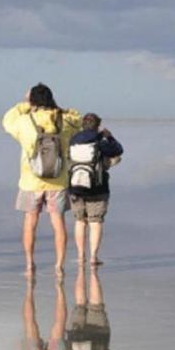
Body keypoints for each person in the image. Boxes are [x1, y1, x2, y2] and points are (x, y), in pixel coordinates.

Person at [2, 84, 84, 276]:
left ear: (32, 101)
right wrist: (61, 109)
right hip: (58, 180)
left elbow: (7, 121)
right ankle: (59, 266)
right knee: (58, 222)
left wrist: (23, 105)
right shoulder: (64, 120)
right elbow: (78, 119)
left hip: (31, 180)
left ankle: (30, 264)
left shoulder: (24, 121)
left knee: (30, 221)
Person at [67, 113, 123, 268]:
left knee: (79, 221)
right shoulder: (100, 140)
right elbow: (119, 150)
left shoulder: (73, 140)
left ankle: (80, 256)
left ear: (82, 125)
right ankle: (93, 257)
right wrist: (109, 137)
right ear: (98, 126)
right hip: (97, 188)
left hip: (76, 187)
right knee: (95, 222)